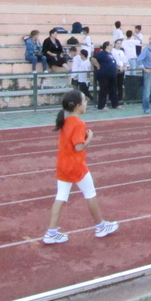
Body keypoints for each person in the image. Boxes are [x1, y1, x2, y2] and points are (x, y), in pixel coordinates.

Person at [42, 90, 118, 244]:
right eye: (84, 101)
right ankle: (100, 226)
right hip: (76, 166)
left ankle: (51, 232)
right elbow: (78, 147)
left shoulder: (65, 120)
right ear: (77, 106)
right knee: (90, 193)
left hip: (62, 164)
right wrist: (89, 138)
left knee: (61, 196)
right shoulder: (78, 124)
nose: (86, 104)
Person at [91, 42, 122, 111]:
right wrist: (98, 66)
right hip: (104, 74)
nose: (112, 46)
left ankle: (115, 104)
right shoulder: (102, 53)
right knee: (103, 90)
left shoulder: (110, 54)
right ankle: (101, 105)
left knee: (113, 89)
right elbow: (93, 58)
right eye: (110, 45)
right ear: (107, 46)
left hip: (112, 74)